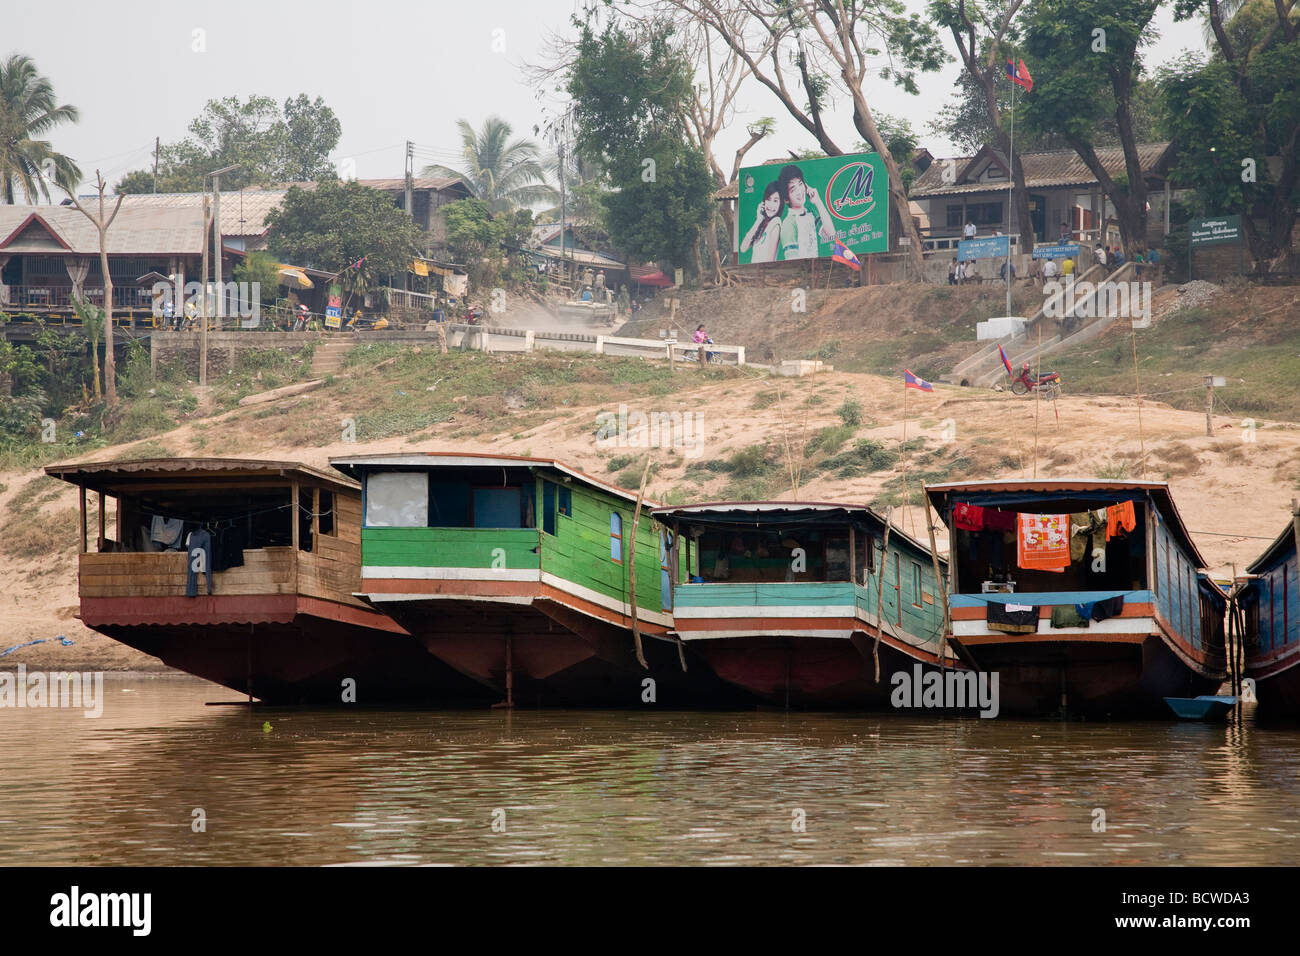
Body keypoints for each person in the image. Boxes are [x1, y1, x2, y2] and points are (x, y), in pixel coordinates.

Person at [777, 165, 835, 260]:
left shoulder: (810, 212)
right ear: (786, 199)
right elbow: (792, 260)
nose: (799, 191)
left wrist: (818, 202)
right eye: (793, 189)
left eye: (800, 184)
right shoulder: (788, 224)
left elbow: (831, 235)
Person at [740, 181, 784, 263]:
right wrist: (758, 220)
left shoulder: (776, 224)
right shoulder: (762, 224)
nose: (771, 205)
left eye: (775, 201)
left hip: (765, 273)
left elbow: (770, 260)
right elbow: (743, 248)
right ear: (764, 201)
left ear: (780, 204)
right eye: (768, 199)